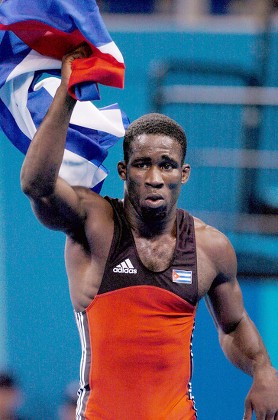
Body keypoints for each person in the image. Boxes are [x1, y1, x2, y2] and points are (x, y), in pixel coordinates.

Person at [20, 45, 278, 419]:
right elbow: (37, 185)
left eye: (167, 166)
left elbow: (234, 324)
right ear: (124, 171)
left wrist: (263, 369)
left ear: (183, 173)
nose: (155, 178)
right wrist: (67, 94)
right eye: (142, 165)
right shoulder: (93, 225)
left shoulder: (210, 246)